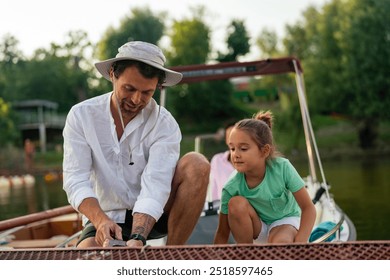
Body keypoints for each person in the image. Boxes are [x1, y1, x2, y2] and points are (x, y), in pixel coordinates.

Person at [62, 41, 209, 248]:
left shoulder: (165, 124)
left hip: (158, 214)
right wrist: (101, 221)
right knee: (89, 255)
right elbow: (75, 179)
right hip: (105, 216)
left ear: (158, 87)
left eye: (147, 93)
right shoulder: (81, 115)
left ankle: (173, 254)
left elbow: (156, 185)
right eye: (129, 89)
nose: (136, 100)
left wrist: (138, 237)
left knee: (197, 163)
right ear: (113, 74)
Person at [214, 110, 316, 244]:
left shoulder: (282, 168)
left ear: (265, 151)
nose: (235, 155)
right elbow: (222, 233)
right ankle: (247, 255)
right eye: (232, 149)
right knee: (235, 203)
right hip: (258, 228)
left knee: (280, 243)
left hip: (285, 221)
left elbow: (308, 208)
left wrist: (300, 242)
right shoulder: (231, 186)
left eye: (243, 149)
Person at [209, 121, 236, 201]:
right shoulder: (217, 160)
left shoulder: (251, 161)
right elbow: (213, 190)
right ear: (226, 140)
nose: (233, 140)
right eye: (229, 136)